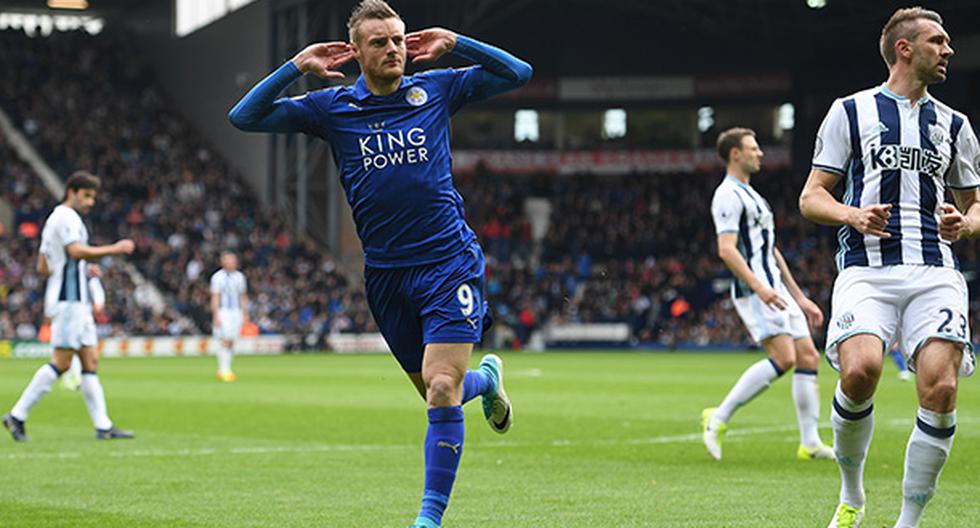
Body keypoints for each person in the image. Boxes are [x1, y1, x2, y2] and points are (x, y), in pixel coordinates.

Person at [228, 1, 531, 525]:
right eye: (380, 42)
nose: (393, 49)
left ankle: (427, 520)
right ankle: (487, 379)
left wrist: (456, 42)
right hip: (387, 276)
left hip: (447, 261)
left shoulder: (437, 88)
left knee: (440, 388)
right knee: (442, 393)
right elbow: (244, 117)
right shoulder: (331, 107)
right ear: (358, 52)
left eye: (398, 39)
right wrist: (297, 66)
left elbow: (518, 73)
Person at [799, 7, 980, 527]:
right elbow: (812, 198)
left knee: (942, 390)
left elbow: (975, 205)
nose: (949, 50)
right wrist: (852, 214)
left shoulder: (955, 124)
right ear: (905, 49)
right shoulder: (849, 111)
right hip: (866, 268)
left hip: (934, 271)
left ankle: (907, 522)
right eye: (937, 41)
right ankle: (852, 494)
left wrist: (964, 225)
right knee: (860, 372)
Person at [702, 127, 834, 462]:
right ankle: (719, 417)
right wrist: (760, 288)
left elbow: (770, 251)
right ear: (736, 154)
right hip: (754, 289)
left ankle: (809, 442)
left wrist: (800, 297)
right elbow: (726, 250)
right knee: (785, 358)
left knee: (808, 358)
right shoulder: (727, 195)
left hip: (775, 288)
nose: (760, 153)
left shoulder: (753, 196)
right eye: (753, 148)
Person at [2, 172, 135, 442]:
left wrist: (79, 268)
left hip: (77, 300)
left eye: (93, 197)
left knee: (90, 360)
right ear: (71, 191)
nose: (91, 202)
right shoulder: (66, 218)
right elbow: (74, 251)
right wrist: (115, 248)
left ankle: (103, 426)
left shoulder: (55, 219)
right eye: (87, 196)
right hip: (70, 301)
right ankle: (16, 416)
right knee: (61, 363)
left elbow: (42, 265)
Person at [61, 264, 106, 391]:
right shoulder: (85, 277)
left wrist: (98, 305)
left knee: (80, 349)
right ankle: (75, 378)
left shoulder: (89, 278)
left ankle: (76, 378)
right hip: (76, 315)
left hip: (82, 316)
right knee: (76, 348)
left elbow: (98, 297)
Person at [210, 251, 248, 382]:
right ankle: (224, 370)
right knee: (225, 339)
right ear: (223, 262)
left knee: (232, 341)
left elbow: (243, 296)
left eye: (233, 260)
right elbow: (215, 297)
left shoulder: (240, 277)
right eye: (228, 260)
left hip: (236, 311)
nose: (231, 262)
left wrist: (245, 313)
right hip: (223, 311)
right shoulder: (218, 277)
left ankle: (225, 369)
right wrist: (216, 315)